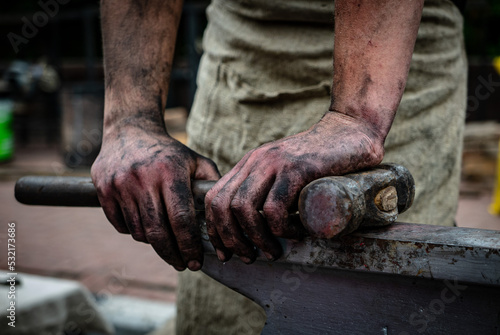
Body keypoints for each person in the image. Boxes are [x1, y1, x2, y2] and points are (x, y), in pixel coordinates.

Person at [93, 0, 467, 333]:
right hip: (242, 55)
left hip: (394, 56)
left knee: (383, 307)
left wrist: (358, 118)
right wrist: (130, 120)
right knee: (223, 310)